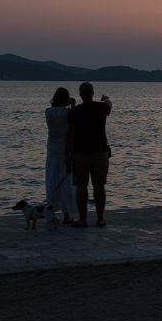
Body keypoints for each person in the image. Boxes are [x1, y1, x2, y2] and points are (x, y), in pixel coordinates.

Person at [65, 82, 112, 227]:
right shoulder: (101, 107)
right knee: (99, 185)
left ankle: (83, 219)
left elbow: (70, 134)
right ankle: (100, 218)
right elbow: (109, 105)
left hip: (80, 152)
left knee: (81, 186)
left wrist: (67, 153)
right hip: (100, 151)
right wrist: (105, 99)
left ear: (80, 95)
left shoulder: (75, 111)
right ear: (93, 93)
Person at [45, 87, 78, 224]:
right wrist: (73, 105)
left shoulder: (48, 112)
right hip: (66, 150)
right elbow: (73, 119)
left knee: (52, 180)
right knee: (66, 183)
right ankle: (66, 215)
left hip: (52, 150)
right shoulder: (69, 112)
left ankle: (51, 214)